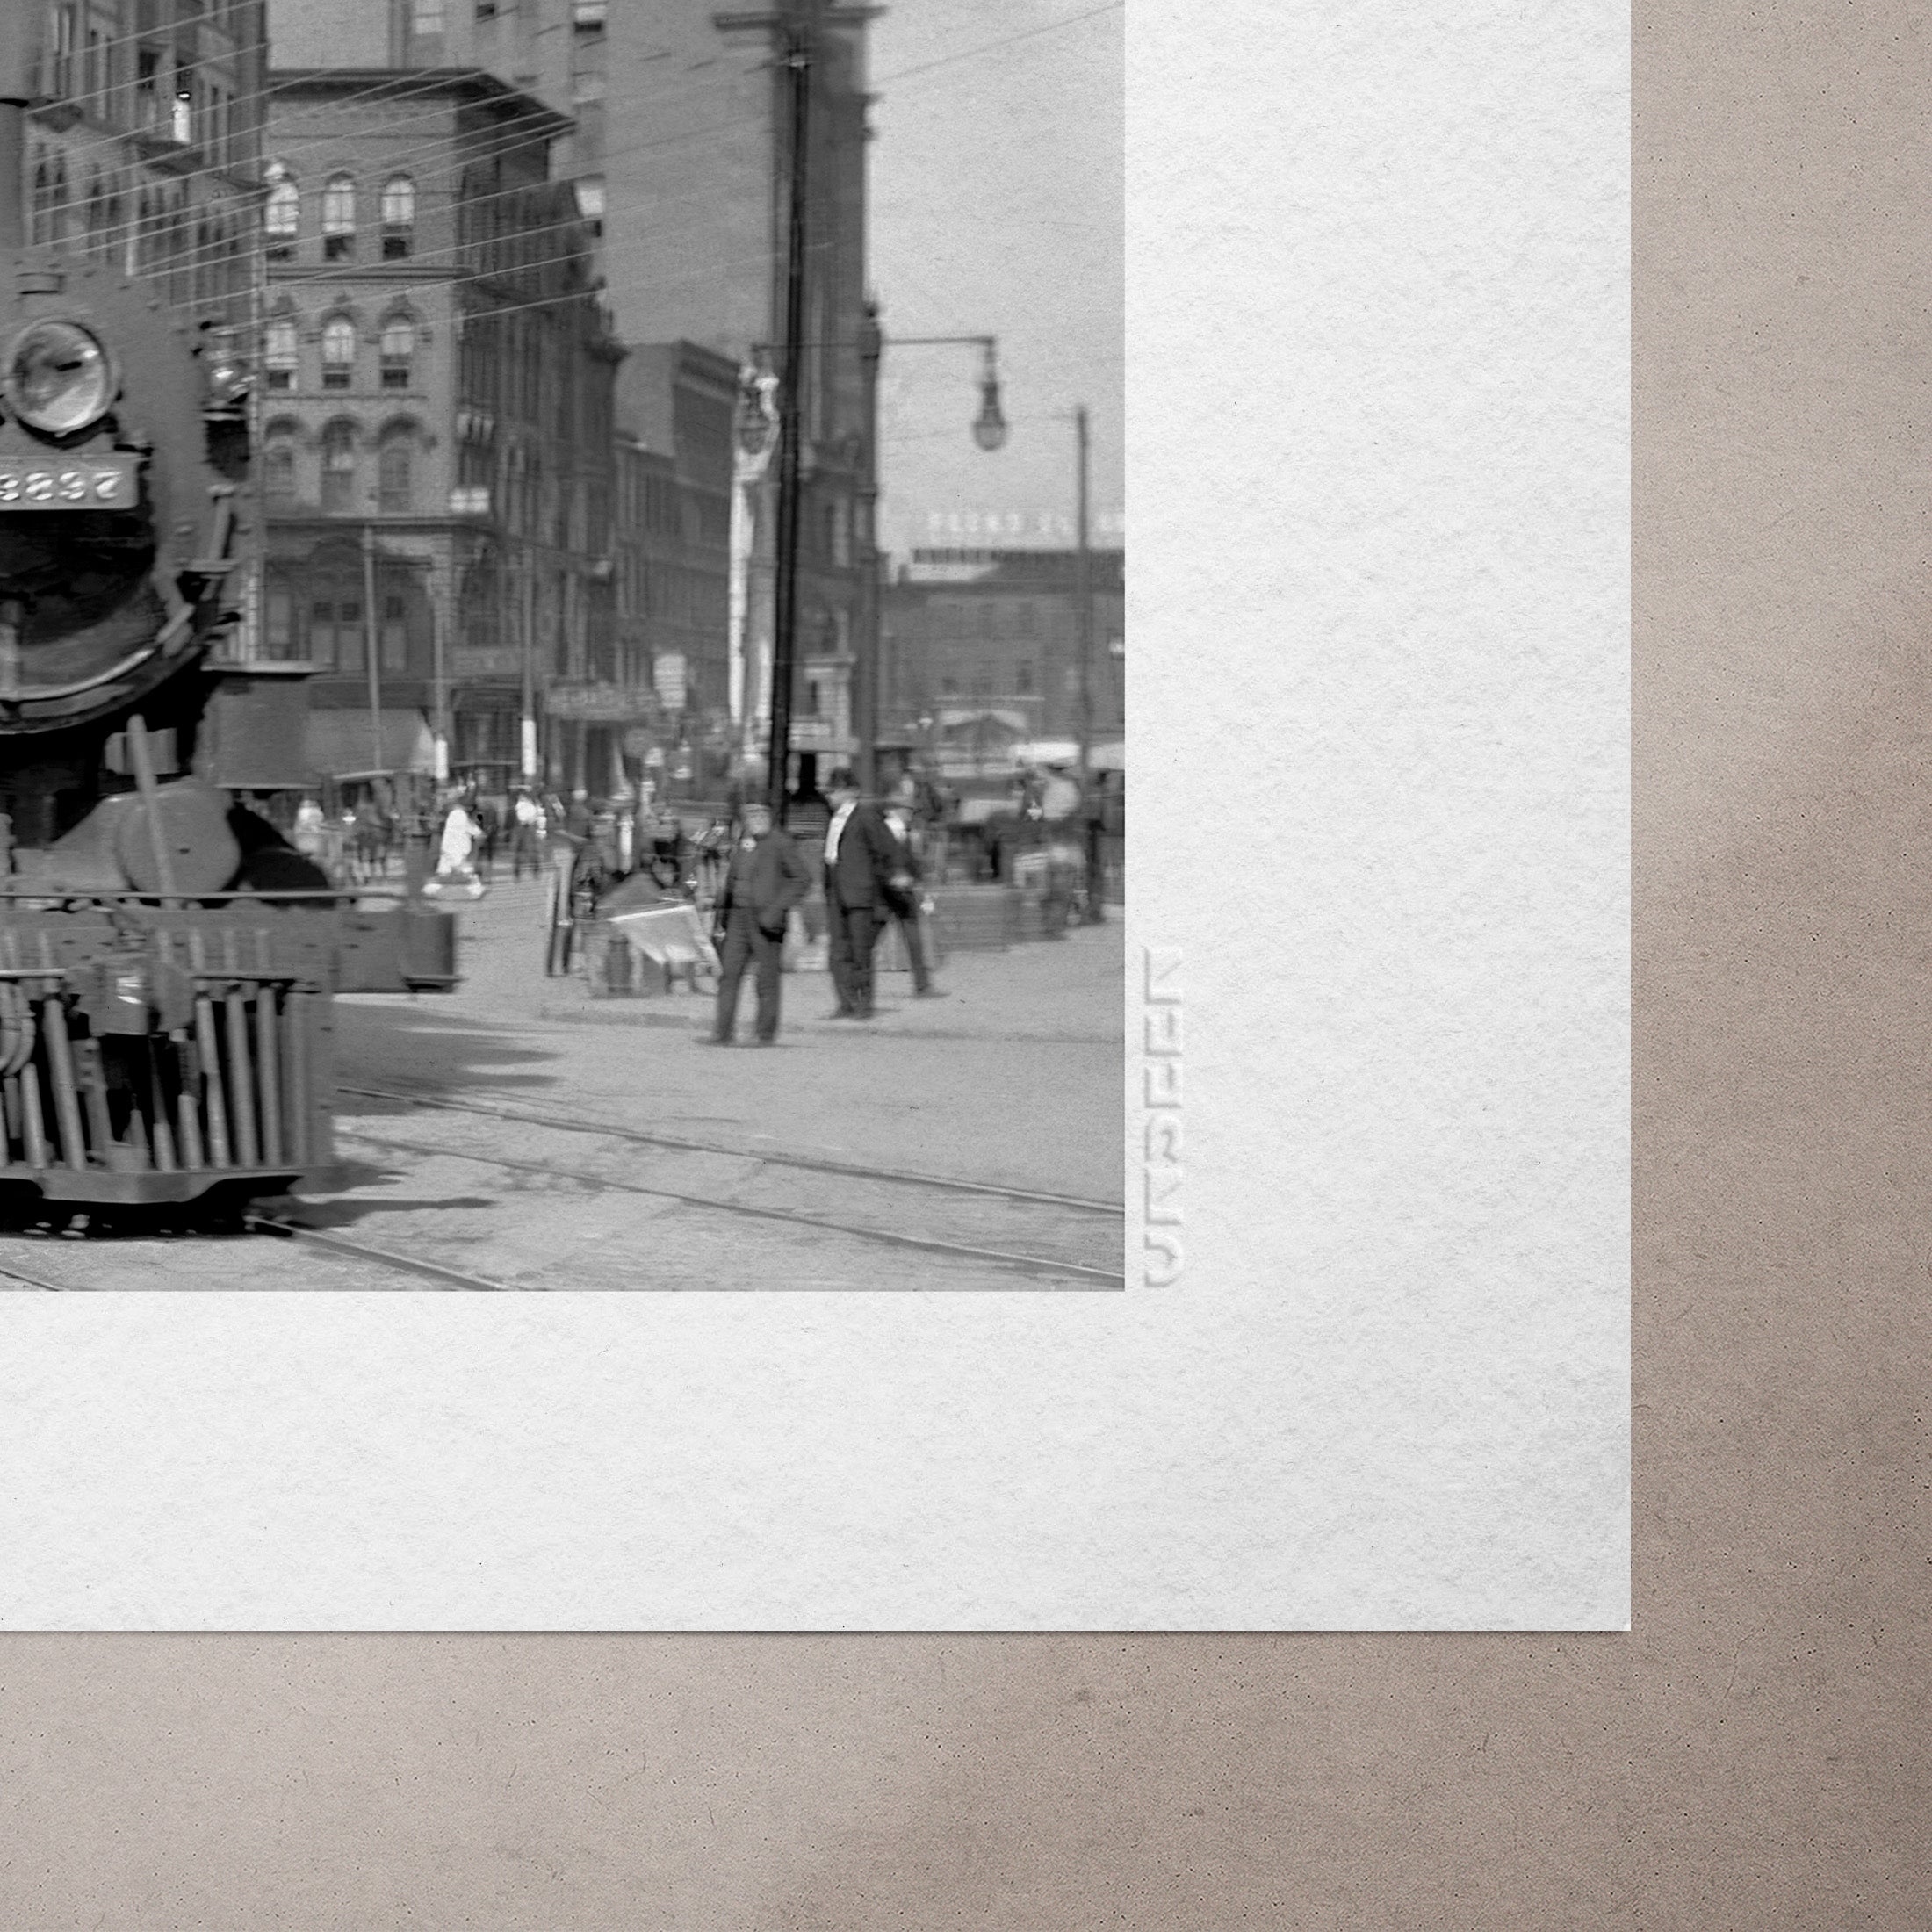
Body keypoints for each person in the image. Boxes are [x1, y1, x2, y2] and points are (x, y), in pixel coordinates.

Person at [704, 799, 812, 1045]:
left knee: (766, 980)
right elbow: (733, 879)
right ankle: (722, 1032)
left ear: (770, 815)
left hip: (766, 921)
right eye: (750, 813)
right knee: (729, 975)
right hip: (738, 919)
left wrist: (777, 910)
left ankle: (764, 1034)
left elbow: (802, 879)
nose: (756, 817)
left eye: (760, 812)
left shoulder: (781, 843)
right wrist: (722, 914)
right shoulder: (744, 843)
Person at [822, 766, 912, 1020]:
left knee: (860, 951)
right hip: (837, 893)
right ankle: (846, 1001)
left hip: (859, 894)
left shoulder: (865, 817)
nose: (829, 796)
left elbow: (887, 847)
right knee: (839, 952)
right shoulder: (835, 819)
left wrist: (895, 873)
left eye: (834, 791)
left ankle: (864, 1003)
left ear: (849, 792)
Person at [883, 774, 943, 998]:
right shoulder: (886, 830)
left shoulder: (904, 832)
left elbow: (911, 863)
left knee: (914, 938)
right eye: (908, 810)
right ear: (897, 809)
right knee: (869, 939)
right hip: (885, 892)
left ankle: (922, 984)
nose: (911, 815)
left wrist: (921, 885)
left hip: (903, 893)